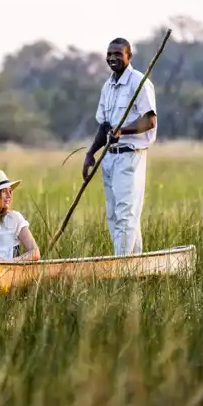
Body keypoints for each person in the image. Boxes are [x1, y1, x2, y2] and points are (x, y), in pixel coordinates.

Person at [82, 37, 157, 256]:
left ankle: (120, 268)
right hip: (109, 157)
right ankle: (134, 266)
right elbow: (104, 125)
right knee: (115, 215)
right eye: (109, 54)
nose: (112, 58)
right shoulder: (108, 86)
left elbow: (149, 121)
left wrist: (123, 131)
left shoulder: (139, 82)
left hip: (130, 156)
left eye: (117, 54)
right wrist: (90, 153)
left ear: (129, 56)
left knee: (126, 213)